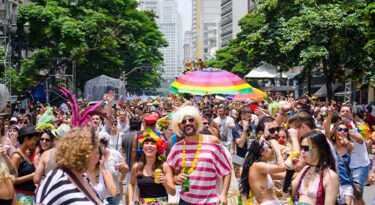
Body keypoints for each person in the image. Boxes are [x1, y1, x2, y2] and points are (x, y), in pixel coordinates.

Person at [167, 105, 232, 205]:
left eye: (191, 120)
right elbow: (174, 175)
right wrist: (177, 178)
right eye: (183, 122)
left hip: (210, 201)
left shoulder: (212, 141)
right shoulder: (177, 148)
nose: (187, 123)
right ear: (179, 126)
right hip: (185, 201)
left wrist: (223, 195)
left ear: (197, 122)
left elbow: (226, 171)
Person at [35, 126, 107, 204]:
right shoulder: (56, 178)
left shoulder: (84, 178)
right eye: (96, 153)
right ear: (83, 153)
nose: (98, 157)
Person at [127, 128, 175, 204]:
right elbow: (131, 184)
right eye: (146, 143)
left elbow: (173, 192)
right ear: (142, 148)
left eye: (153, 143)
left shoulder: (164, 166)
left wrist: (166, 183)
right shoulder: (137, 167)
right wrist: (130, 201)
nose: (149, 146)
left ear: (158, 148)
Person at [291, 131, 339, 205]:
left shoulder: (330, 176)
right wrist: (290, 168)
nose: (302, 152)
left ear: (321, 149)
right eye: (301, 148)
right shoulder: (305, 170)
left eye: (306, 148)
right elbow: (287, 193)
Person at [240, 139, 286, 205]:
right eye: (270, 147)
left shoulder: (262, 169)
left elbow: (284, 175)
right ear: (261, 151)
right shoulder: (257, 166)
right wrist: (277, 150)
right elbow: (282, 167)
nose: (272, 149)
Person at [10, 124, 40, 205]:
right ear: (26, 139)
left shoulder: (26, 154)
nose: (35, 142)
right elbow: (12, 179)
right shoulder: (16, 156)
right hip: (20, 197)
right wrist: (32, 175)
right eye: (34, 139)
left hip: (29, 197)